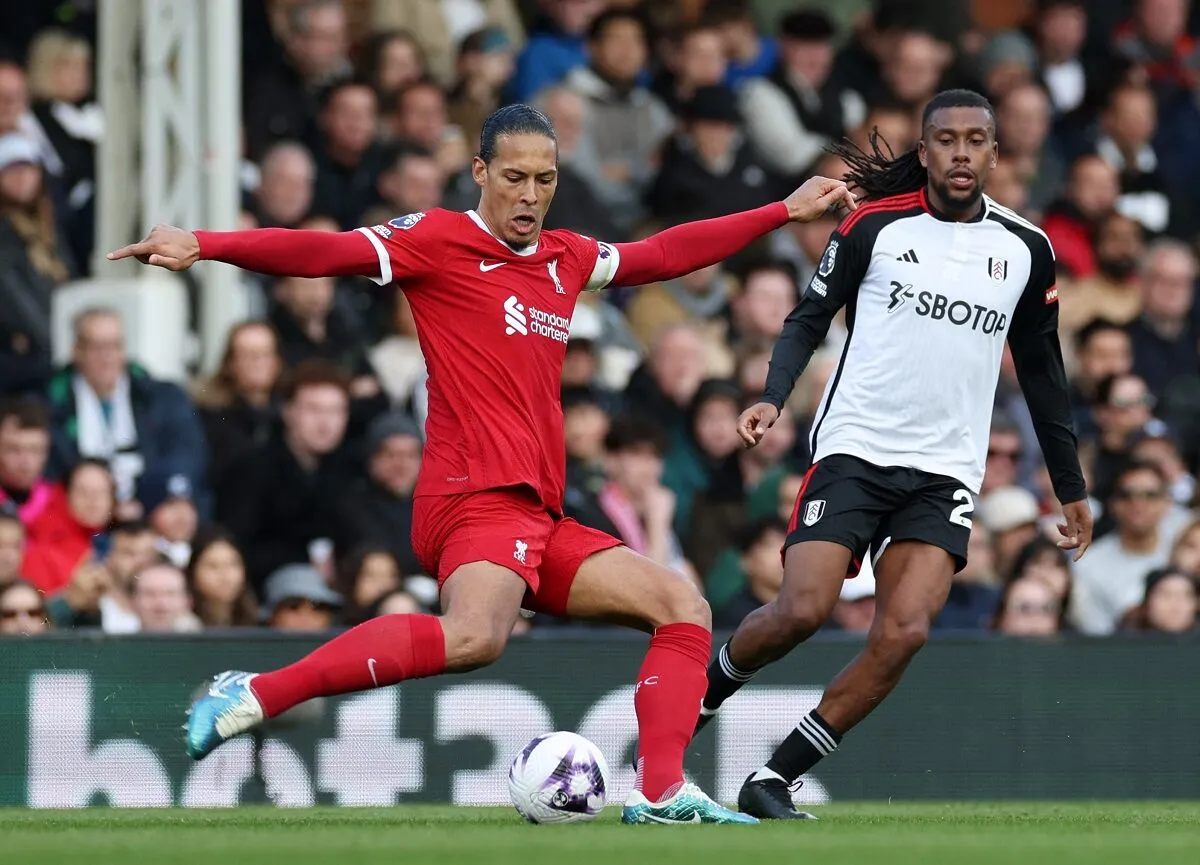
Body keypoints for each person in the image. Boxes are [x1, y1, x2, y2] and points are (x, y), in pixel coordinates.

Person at [107, 102, 855, 825]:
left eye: (545, 179)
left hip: (538, 511)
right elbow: (324, 250)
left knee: (682, 607)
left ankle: (660, 788)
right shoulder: (435, 240)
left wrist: (780, 212)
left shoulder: (565, 260)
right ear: (479, 171)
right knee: (475, 637)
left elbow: (662, 254)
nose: (530, 195)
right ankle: (260, 690)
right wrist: (205, 243)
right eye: (514, 178)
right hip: (471, 496)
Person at [690, 89, 1093, 819]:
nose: (962, 153)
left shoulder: (1026, 249)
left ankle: (773, 777)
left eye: (977, 140)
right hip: (855, 448)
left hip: (944, 471)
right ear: (926, 148)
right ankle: (702, 695)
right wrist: (773, 397)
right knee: (801, 610)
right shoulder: (874, 226)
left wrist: (1070, 485)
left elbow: (1043, 372)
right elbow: (810, 314)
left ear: (996, 154)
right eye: (947, 140)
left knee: (905, 630)